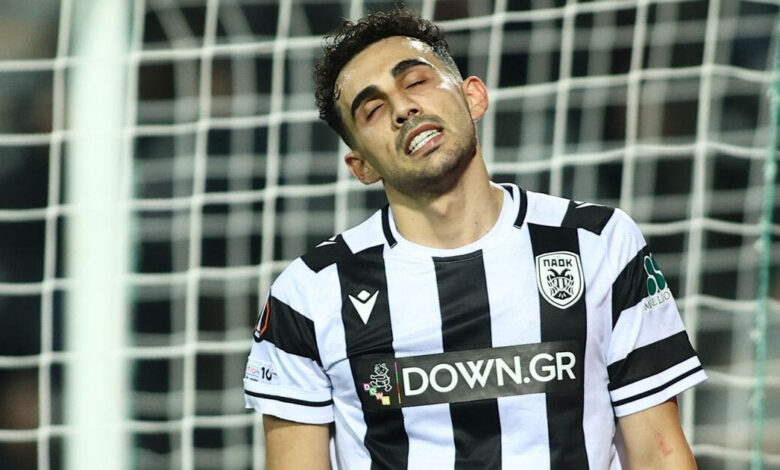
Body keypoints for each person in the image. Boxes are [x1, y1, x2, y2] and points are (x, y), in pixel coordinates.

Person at [243, 7, 706, 469]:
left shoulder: (599, 242)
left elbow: (659, 454)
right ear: (360, 166)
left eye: (416, 81)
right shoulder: (309, 293)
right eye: (374, 109)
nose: (403, 109)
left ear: (474, 97)